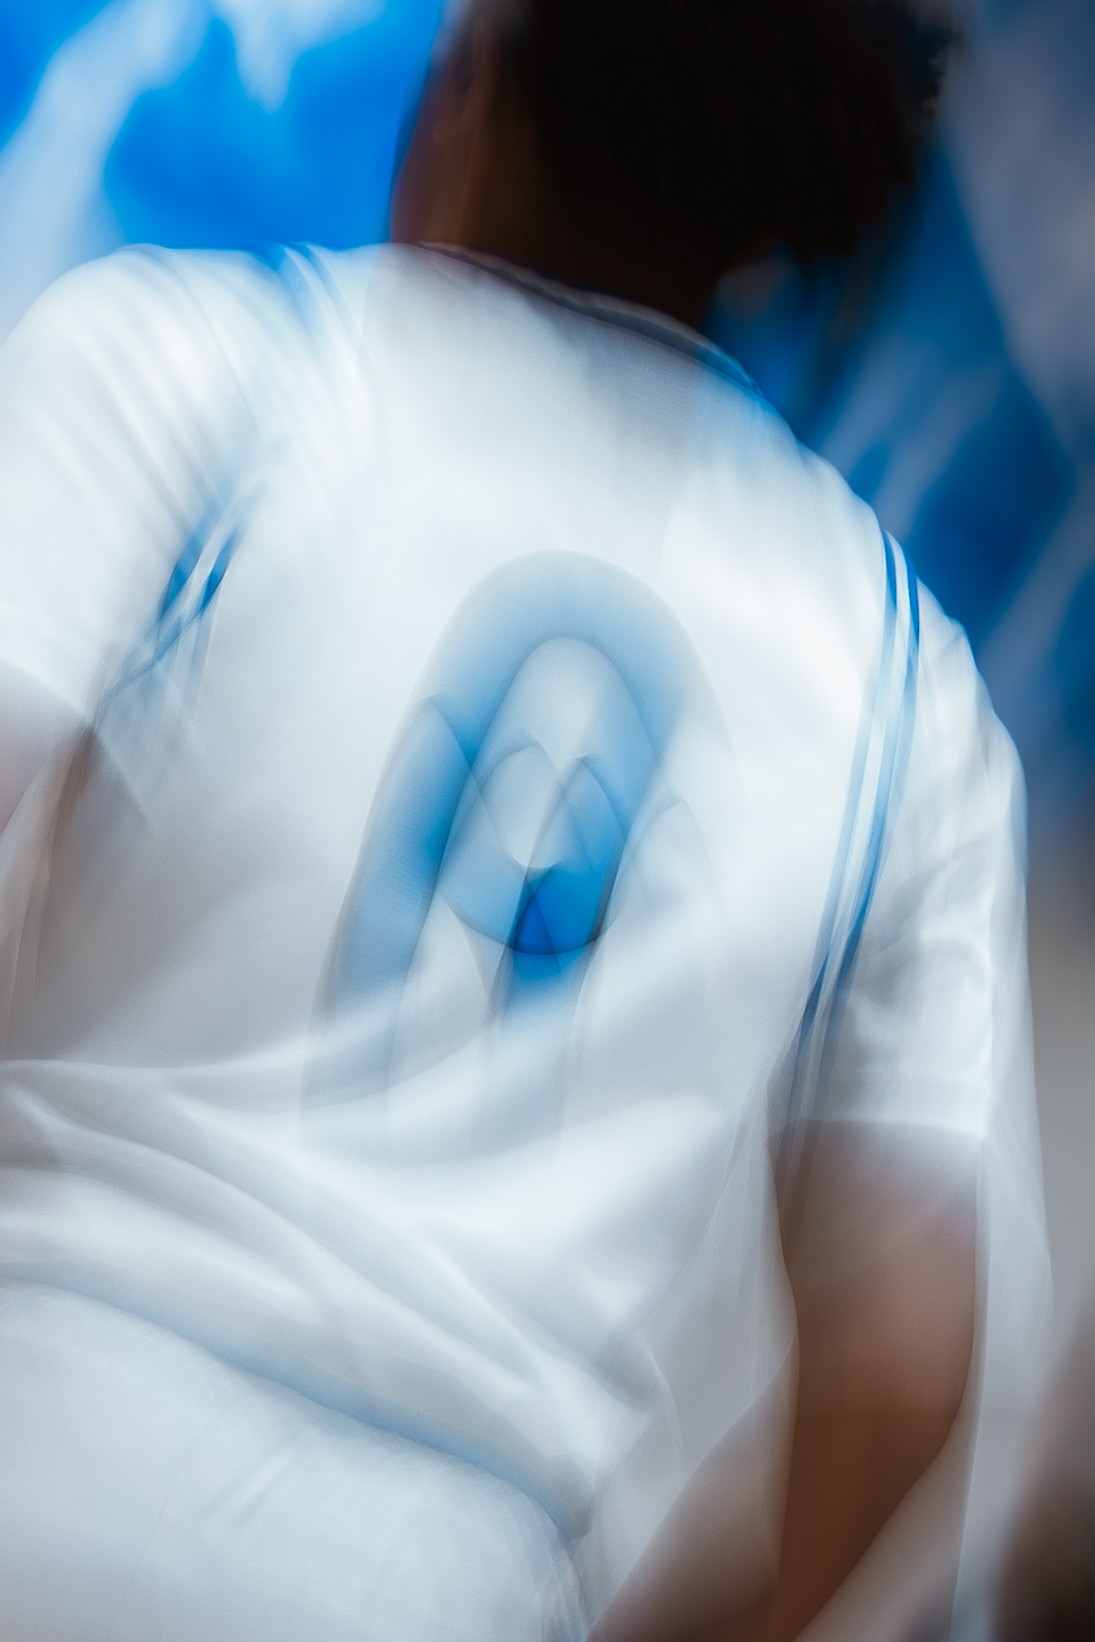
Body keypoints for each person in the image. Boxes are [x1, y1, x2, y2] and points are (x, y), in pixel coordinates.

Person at [0, 1, 1049, 1639]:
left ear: (474, 78)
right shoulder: (907, 694)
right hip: (463, 1568)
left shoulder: (200, 367)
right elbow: (907, 1362)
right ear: (786, 233)